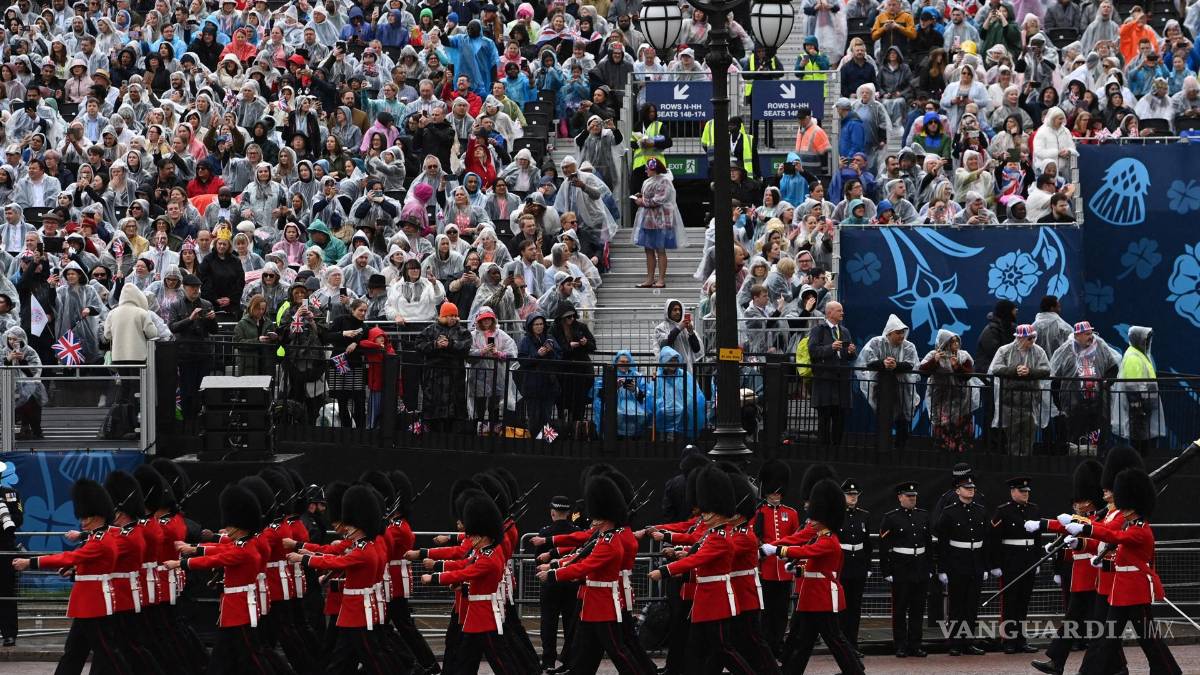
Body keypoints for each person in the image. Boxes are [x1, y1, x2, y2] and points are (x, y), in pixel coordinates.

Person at [1065, 467, 1182, 675]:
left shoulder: (1140, 530)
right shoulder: (1129, 526)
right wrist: (1083, 545)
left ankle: (1167, 671)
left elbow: (1115, 537)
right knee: (1108, 637)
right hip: (1120, 591)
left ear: (1132, 506)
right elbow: (1113, 545)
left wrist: (1086, 528)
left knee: (1149, 638)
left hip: (1136, 591)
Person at [12, 479, 131, 673]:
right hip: (86, 604)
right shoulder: (99, 536)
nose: (82, 521)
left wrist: (31, 562)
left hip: (95, 604)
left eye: (86, 517)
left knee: (107, 652)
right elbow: (89, 563)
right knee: (74, 651)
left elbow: (71, 556)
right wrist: (74, 570)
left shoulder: (101, 541)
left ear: (97, 516)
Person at [647, 466, 754, 675]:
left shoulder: (720, 538)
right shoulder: (711, 534)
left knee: (723, 649)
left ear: (719, 513)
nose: (704, 515)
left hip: (717, 600)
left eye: (708, 512)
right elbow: (696, 552)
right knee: (696, 648)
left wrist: (666, 570)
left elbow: (697, 558)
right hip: (705, 600)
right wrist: (680, 555)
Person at [538, 475, 646, 675]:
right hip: (592, 603)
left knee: (618, 651)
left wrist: (554, 574)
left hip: (603, 605)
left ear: (604, 518)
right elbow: (581, 556)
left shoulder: (609, 543)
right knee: (586, 653)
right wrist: (556, 564)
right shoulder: (604, 538)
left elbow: (585, 566)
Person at [764, 477, 865, 675]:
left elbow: (806, 552)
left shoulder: (828, 540)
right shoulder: (821, 536)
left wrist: (776, 550)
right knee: (804, 640)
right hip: (812, 597)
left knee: (835, 639)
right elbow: (815, 567)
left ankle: (854, 671)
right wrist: (798, 571)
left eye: (814, 518)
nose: (810, 521)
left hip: (822, 597)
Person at [1030, 459, 1104, 675]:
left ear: (1090, 502)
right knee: (1072, 621)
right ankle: (1057, 661)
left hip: (1096, 575)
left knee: (1100, 626)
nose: (1078, 504)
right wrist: (1042, 524)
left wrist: (1078, 539)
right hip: (1080, 576)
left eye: (1082, 501)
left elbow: (1097, 535)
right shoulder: (1083, 517)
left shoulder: (1098, 518)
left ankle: (1114, 666)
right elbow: (1063, 525)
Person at [934, 472, 989, 656]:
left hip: (975, 562)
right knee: (957, 605)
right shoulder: (949, 512)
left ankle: (968, 641)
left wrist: (985, 565)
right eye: (967, 488)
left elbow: (986, 540)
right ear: (958, 491)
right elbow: (943, 542)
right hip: (957, 562)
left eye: (972, 488)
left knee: (972, 605)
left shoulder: (981, 510)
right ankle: (955, 642)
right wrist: (942, 568)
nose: (971, 490)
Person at [878, 480, 932, 658]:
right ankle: (900, 645)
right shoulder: (891, 518)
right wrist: (887, 571)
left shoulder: (923, 516)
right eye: (908, 496)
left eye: (914, 496)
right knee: (900, 609)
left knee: (918, 609)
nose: (912, 499)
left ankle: (916, 644)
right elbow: (884, 546)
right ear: (900, 497)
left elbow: (928, 544)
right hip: (901, 568)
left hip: (920, 567)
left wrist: (929, 567)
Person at [988, 476, 1041, 653]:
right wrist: (995, 564)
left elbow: (1037, 538)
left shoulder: (1034, 509)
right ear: (1012, 492)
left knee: (1024, 602)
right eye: (1021, 491)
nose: (1025, 494)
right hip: (1010, 561)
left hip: (1028, 559)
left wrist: (1037, 560)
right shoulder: (1003, 511)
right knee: (1010, 602)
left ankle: (1021, 639)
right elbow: (994, 539)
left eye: (1027, 491)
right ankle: (1008, 640)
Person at [1050, 322, 1121, 453]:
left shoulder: (1100, 346)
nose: (1091, 336)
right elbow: (1055, 378)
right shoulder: (1065, 350)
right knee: (1075, 439)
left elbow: (1113, 368)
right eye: (1087, 334)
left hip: (1097, 404)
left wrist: (1105, 384)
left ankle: (1096, 460)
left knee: (1096, 437)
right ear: (1077, 335)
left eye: (1091, 333)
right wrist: (1059, 404)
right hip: (1074, 405)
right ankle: (1076, 462)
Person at [754, 460, 798, 660]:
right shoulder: (758, 513)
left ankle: (777, 644)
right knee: (766, 612)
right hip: (766, 569)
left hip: (783, 571)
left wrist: (789, 554)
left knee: (781, 612)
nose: (776, 495)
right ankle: (766, 647)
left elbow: (796, 539)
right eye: (773, 492)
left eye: (779, 493)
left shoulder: (791, 513)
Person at [533, 496, 582, 672]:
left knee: (548, 623)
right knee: (571, 624)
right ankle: (569, 660)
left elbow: (538, 559)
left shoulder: (545, 532)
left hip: (550, 582)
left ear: (552, 512)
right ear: (568, 513)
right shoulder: (577, 531)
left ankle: (548, 660)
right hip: (571, 582)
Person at [857, 314, 920, 451]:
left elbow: (911, 364)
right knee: (883, 418)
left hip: (903, 390)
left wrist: (895, 365)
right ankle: (881, 448)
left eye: (903, 332)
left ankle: (900, 449)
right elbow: (868, 361)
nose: (901, 336)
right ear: (889, 333)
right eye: (898, 333)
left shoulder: (909, 346)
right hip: (881, 389)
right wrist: (883, 363)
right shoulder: (876, 342)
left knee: (902, 420)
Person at [415, 303, 471, 432]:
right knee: (433, 409)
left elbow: (466, 347)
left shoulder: (463, 332)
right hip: (434, 377)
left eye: (455, 315)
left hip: (455, 377)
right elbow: (418, 345)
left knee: (454, 411)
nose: (454, 318)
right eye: (451, 315)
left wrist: (449, 344)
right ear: (443, 316)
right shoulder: (430, 330)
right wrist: (435, 345)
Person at [807, 301, 856, 449]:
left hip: (841, 381)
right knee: (824, 417)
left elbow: (850, 357)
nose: (842, 313)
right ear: (829, 313)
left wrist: (851, 352)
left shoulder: (845, 331)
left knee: (840, 417)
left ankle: (837, 449)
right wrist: (831, 348)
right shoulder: (818, 330)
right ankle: (824, 450)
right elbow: (812, 351)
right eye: (839, 310)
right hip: (825, 380)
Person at [168, 274, 217, 420]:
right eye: (192, 287)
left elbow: (214, 330)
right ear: (184, 288)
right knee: (187, 389)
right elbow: (172, 327)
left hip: (203, 353)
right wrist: (190, 319)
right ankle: (188, 420)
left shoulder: (207, 304)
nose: (196, 290)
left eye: (197, 287)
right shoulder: (176, 305)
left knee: (203, 388)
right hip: (185, 354)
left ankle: (202, 419)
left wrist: (212, 320)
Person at [632, 158, 686, 289]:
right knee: (648, 249)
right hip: (648, 220)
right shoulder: (648, 181)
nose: (646, 170)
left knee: (660, 249)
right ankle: (649, 279)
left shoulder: (664, 181)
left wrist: (642, 201)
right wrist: (641, 196)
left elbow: (659, 199)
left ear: (654, 169)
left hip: (660, 220)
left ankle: (661, 279)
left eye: (648, 168)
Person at [1112, 326, 1163, 454]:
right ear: (1138, 340)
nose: (1148, 342)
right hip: (1139, 410)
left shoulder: (1140, 355)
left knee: (1143, 441)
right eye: (1146, 339)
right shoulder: (1134, 358)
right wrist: (1138, 407)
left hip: (1144, 408)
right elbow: (1132, 386)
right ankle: (1139, 462)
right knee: (1139, 442)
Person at [467, 306, 517, 434]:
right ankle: (478, 428)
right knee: (480, 405)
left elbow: (512, 353)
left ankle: (493, 428)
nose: (486, 321)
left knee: (494, 405)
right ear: (479, 320)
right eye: (484, 319)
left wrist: (498, 353)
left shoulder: (501, 334)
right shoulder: (473, 335)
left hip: (497, 377)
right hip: (478, 377)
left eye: (489, 318)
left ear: (493, 320)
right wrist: (481, 352)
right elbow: (468, 354)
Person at [838, 479, 872, 656]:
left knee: (855, 607)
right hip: (841, 564)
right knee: (842, 607)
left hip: (858, 564)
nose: (853, 497)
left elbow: (867, 544)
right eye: (849, 494)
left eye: (855, 495)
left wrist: (867, 565)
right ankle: (842, 645)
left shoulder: (864, 516)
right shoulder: (836, 515)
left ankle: (852, 643)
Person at [551, 303, 597, 434]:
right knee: (561, 402)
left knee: (579, 402)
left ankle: (577, 431)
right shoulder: (554, 329)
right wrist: (568, 346)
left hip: (580, 371)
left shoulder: (581, 327)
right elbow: (554, 346)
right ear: (561, 317)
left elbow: (593, 345)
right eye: (568, 317)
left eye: (573, 316)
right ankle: (562, 431)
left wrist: (585, 343)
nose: (571, 319)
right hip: (563, 372)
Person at [649, 346, 707, 442]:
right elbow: (653, 393)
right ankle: (664, 433)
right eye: (670, 360)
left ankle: (673, 435)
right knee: (663, 411)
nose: (674, 363)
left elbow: (693, 391)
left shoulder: (684, 374)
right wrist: (660, 403)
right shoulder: (658, 376)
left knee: (681, 410)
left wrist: (687, 402)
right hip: (663, 404)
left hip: (682, 404)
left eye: (675, 360)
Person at [594, 351, 651, 439]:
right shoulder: (609, 374)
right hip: (613, 405)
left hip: (634, 406)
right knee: (617, 415)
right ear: (616, 362)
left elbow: (646, 396)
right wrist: (614, 388)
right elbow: (599, 394)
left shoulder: (637, 376)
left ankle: (632, 439)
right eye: (622, 362)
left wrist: (635, 390)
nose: (625, 364)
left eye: (627, 362)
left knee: (642, 415)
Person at [653, 299, 702, 371]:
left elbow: (696, 349)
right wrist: (679, 328)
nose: (678, 312)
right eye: (675, 310)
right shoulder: (661, 328)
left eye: (679, 310)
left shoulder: (686, 327)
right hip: (669, 369)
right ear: (668, 311)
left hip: (686, 368)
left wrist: (691, 333)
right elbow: (665, 345)